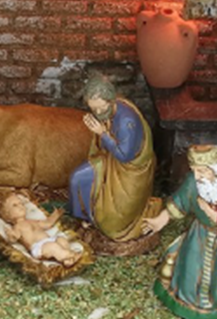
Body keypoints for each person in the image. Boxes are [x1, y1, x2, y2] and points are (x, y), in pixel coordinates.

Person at [144, 145, 217, 319]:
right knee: (189, 277)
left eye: (202, 171)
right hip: (198, 235)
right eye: (194, 170)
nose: (198, 176)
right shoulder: (193, 182)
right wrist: (161, 219)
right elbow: (180, 202)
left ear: (216, 169)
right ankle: (187, 300)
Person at [67, 75, 156, 242]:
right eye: (94, 109)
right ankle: (84, 219)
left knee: (112, 224)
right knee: (77, 178)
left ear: (111, 101)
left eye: (101, 108)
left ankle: (96, 220)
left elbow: (124, 156)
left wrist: (102, 133)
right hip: (110, 160)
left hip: (129, 173)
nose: (98, 113)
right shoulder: (108, 111)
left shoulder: (127, 122)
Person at [0, 193, 81, 267]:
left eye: (21, 203)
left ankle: (67, 259)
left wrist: (55, 216)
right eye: (15, 205)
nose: (20, 206)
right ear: (7, 216)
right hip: (38, 247)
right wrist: (11, 235)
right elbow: (14, 238)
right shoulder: (17, 227)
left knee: (61, 239)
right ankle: (70, 255)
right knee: (52, 247)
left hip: (49, 240)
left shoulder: (32, 221)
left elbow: (47, 224)